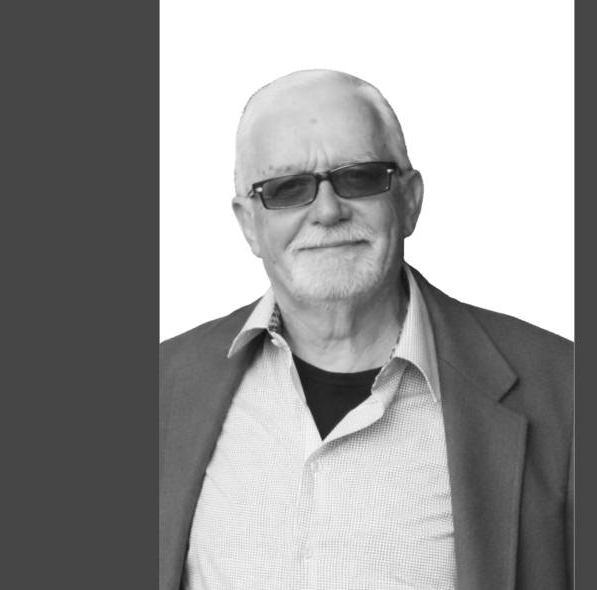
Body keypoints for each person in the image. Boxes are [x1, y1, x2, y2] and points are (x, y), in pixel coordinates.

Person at [159, 69, 573, 590]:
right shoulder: (162, 388)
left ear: (410, 200)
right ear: (248, 224)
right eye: (287, 188)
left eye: (359, 177)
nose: (327, 211)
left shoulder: (565, 395)